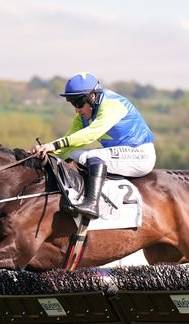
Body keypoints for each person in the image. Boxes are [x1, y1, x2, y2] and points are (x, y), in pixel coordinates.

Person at [31, 72, 156, 219]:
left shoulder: (112, 105)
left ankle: (91, 204)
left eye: (79, 103)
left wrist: (54, 145)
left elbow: (91, 134)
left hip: (140, 155)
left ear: (93, 96)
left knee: (89, 155)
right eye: (73, 104)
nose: (77, 110)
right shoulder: (83, 116)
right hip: (120, 153)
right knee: (74, 154)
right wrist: (42, 152)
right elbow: (69, 141)